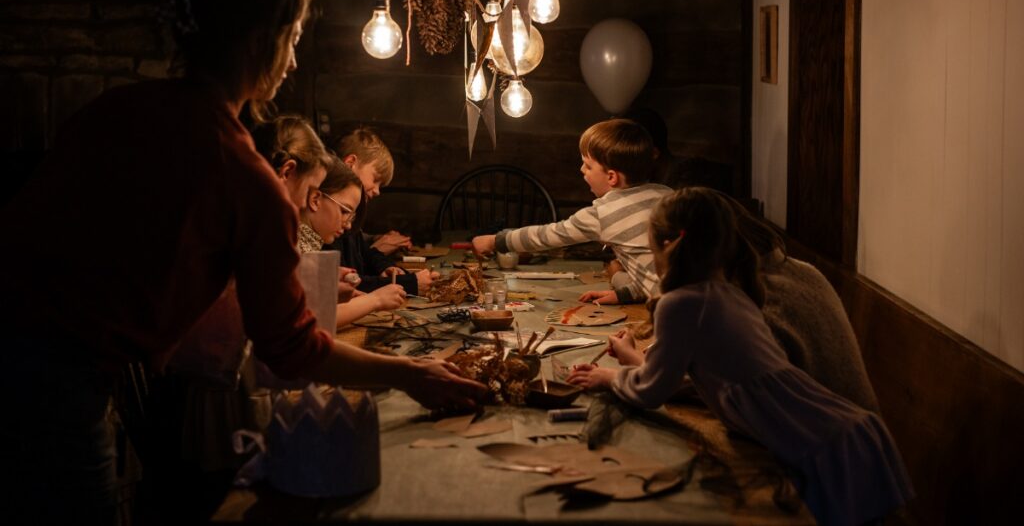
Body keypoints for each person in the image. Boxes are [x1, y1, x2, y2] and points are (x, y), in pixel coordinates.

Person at [0, 0, 484, 525]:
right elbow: (292, 348)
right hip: (58, 383)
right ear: (263, 44)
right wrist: (412, 374)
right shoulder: (246, 179)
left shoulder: (115, 109)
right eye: (294, 40)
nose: (296, 61)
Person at [568, 188, 913, 526]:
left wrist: (609, 377)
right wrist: (639, 360)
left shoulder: (685, 302)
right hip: (844, 431)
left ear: (665, 245)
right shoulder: (736, 291)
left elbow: (655, 390)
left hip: (825, 447)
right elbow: (712, 369)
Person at [472, 118, 672, 305]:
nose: (581, 170)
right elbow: (654, 272)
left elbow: (547, 236)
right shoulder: (667, 195)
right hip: (694, 298)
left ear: (611, 177)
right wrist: (623, 294)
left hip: (672, 311)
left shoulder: (602, 214)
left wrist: (496, 241)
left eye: (588, 165)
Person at [724, 195, 880, 412]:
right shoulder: (800, 269)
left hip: (834, 439)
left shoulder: (761, 301)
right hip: (861, 431)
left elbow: (760, 403)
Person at [297, 155, 405, 327]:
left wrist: (333, 290)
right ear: (315, 200)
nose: (348, 225)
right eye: (345, 211)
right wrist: (374, 300)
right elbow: (314, 320)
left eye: (352, 216)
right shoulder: (294, 245)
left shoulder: (308, 243)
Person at [331, 127, 437, 296]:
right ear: (350, 163)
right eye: (375, 179)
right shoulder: (332, 219)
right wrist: (410, 284)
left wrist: (385, 267)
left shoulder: (350, 218)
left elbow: (364, 254)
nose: (377, 191)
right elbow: (349, 284)